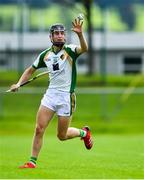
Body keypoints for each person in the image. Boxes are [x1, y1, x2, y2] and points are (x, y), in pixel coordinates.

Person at [9, 18, 93, 169]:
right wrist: (19, 83)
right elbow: (30, 70)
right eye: (57, 33)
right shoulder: (45, 55)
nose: (60, 36)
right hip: (50, 95)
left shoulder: (70, 51)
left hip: (66, 97)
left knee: (62, 136)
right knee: (39, 128)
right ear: (51, 37)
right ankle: (32, 162)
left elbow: (84, 49)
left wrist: (80, 35)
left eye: (62, 33)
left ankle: (84, 133)